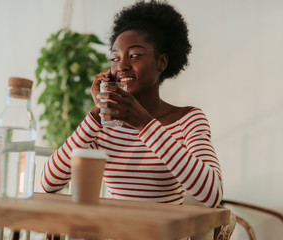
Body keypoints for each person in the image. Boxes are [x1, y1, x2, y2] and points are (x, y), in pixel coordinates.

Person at [41, 0, 223, 208]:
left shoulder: (188, 120)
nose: (122, 66)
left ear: (161, 62)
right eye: (115, 58)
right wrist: (96, 114)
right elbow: (49, 182)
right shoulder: (104, 125)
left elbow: (212, 193)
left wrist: (144, 124)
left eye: (135, 55)